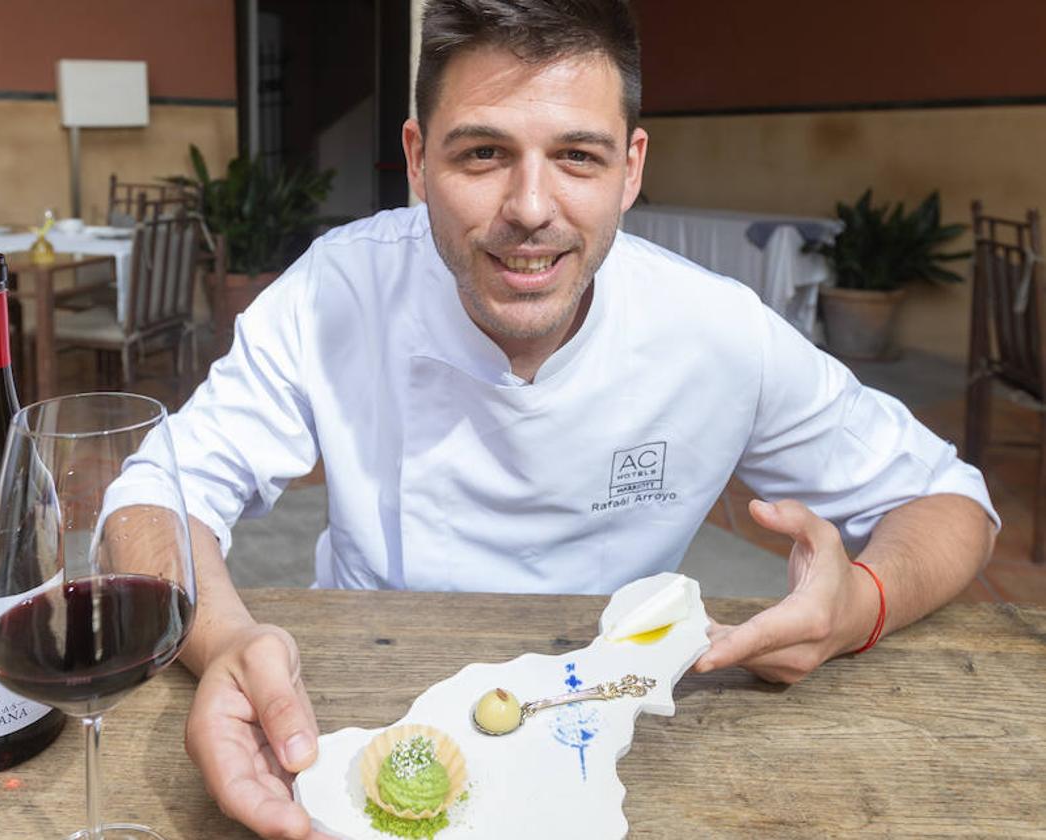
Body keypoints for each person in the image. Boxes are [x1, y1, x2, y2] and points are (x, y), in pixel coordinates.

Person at [121, 1, 998, 837]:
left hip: (611, 731)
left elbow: (950, 501)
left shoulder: (717, 331)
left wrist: (866, 603)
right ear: (418, 159)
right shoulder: (337, 289)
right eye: (482, 155)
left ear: (632, 167)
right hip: (345, 715)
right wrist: (226, 640)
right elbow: (157, 491)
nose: (531, 207)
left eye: (578, 155)